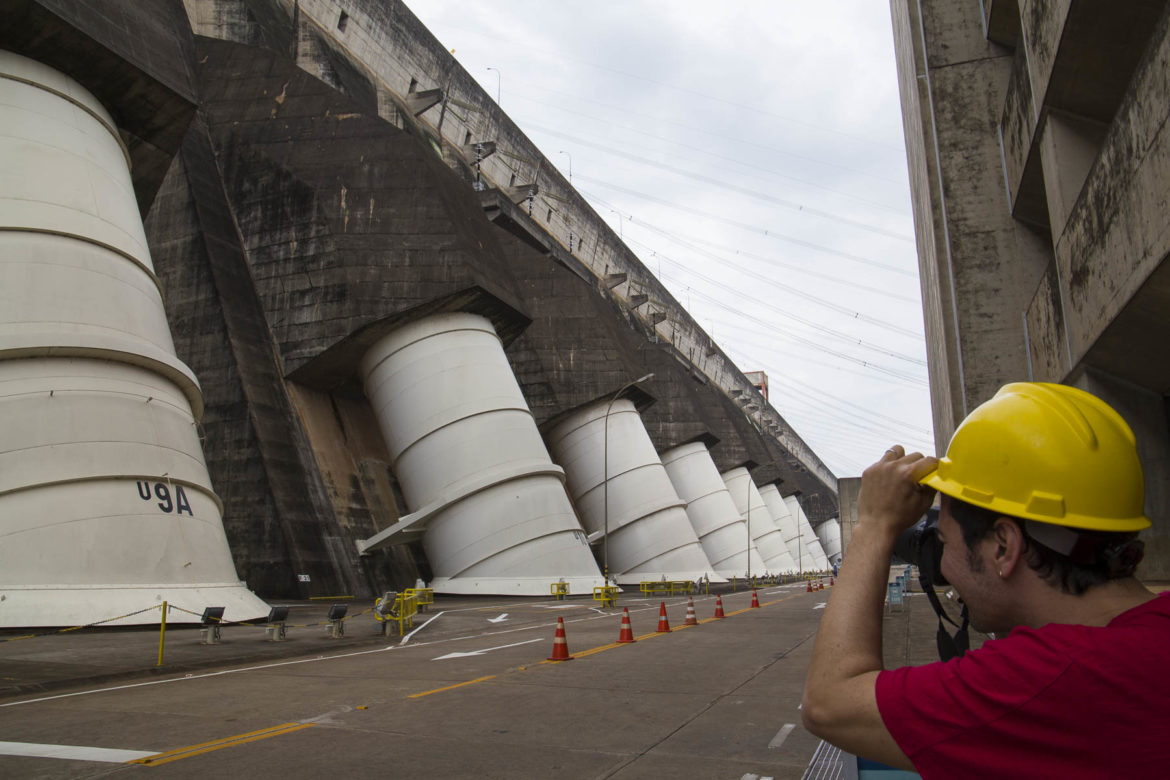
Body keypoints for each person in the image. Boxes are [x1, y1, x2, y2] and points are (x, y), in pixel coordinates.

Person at [801, 382, 1170, 778]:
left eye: (945, 543)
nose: (944, 570)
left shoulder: (1052, 680)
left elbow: (828, 703)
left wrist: (873, 525)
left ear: (1003, 547)